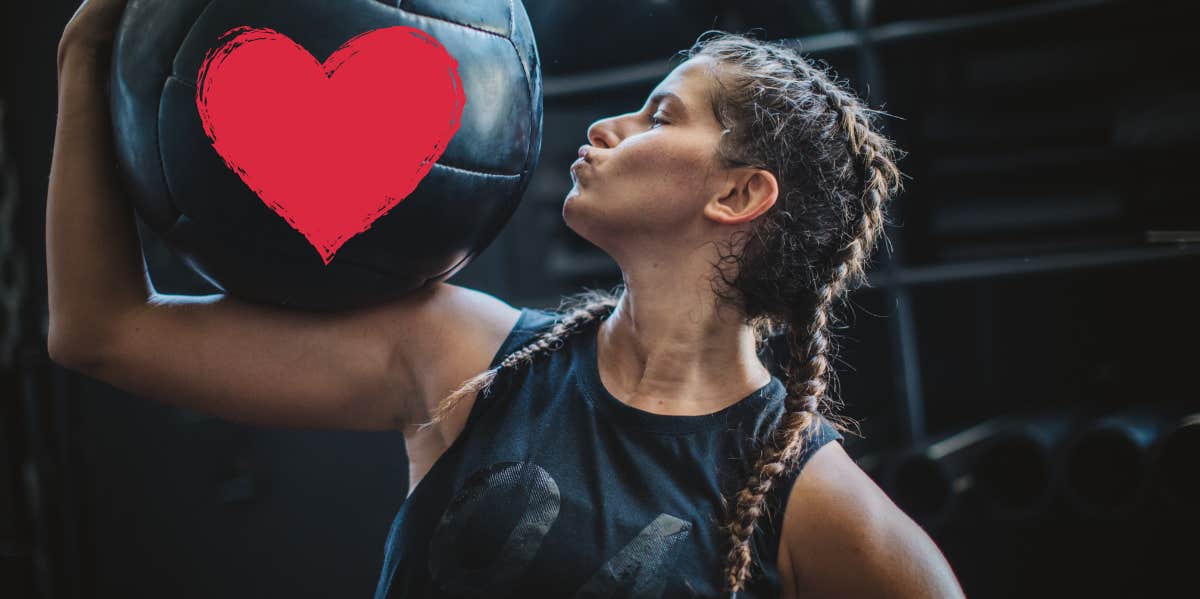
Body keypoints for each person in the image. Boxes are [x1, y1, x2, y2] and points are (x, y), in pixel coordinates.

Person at [49, 1, 966, 597]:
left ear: (736, 195)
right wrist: (85, 53)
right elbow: (103, 330)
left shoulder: (822, 511)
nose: (606, 127)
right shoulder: (456, 357)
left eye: (660, 115)